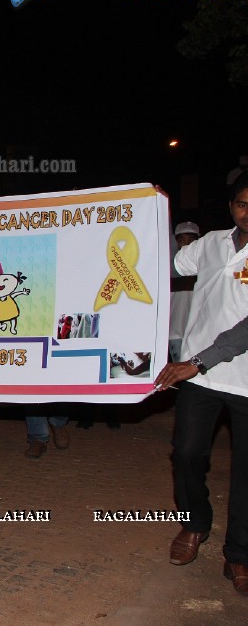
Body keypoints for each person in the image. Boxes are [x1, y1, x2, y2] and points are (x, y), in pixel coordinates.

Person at [165, 174, 248, 597]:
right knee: (187, 454)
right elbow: (166, 267)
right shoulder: (212, 243)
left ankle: (239, 553)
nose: (247, 212)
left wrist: (195, 361)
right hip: (200, 375)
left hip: (236, 376)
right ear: (231, 205)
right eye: (241, 204)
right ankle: (196, 524)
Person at [169, 221, 200, 360]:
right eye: (181, 240)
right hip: (174, 334)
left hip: (198, 334)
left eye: (191, 240)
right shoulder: (167, 269)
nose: (186, 245)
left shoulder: (204, 267)